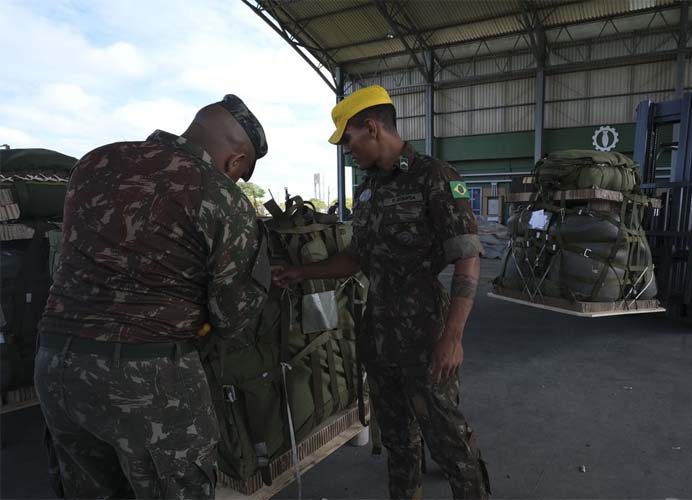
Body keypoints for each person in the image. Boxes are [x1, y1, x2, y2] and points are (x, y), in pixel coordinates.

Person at [35, 95, 271, 499]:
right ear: (235, 162)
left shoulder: (93, 163)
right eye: (241, 174)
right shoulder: (219, 194)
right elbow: (233, 315)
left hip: (56, 365)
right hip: (148, 376)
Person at [275, 85, 491, 499]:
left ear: (372, 127)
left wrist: (453, 336)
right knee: (397, 439)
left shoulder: (435, 177)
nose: (346, 151)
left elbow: (467, 257)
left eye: (348, 140)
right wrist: (303, 271)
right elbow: (356, 257)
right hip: (378, 333)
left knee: (448, 439)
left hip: (426, 333)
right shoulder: (369, 191)